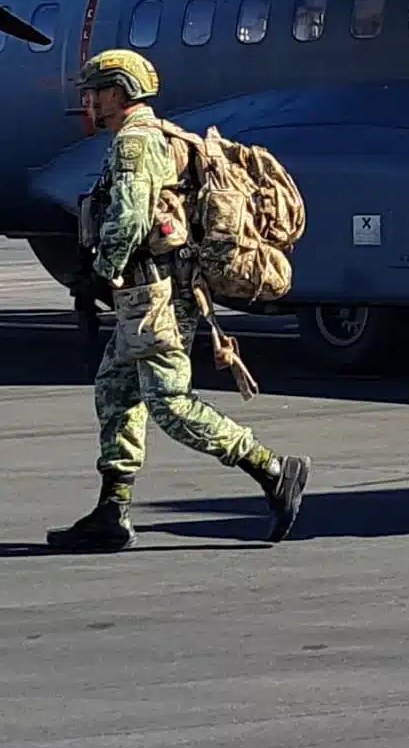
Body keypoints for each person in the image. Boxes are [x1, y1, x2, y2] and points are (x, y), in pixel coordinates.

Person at [52, 46, 306, 552]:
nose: (89, 103)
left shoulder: (135, 144)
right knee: (116, 390)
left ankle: (274, 470)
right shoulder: (156, 137)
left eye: (95, 92)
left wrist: (103, 272)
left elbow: (129, 216)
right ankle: (113, 510)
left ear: (119, 93)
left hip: (154, 295)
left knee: (168, 403)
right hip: (151, 291)